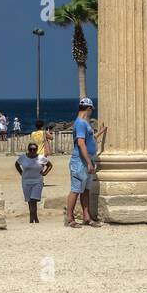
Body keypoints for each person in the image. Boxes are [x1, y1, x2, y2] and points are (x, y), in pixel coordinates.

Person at [65, 98, 100, 228]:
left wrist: (100, 132)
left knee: (86, 190)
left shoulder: (83, 123)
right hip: (80, 161)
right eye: (91, 110)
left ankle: (87, 217)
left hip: (86, 159)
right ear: (89, 109)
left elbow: (89, 139)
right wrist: (89, 162)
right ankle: (69, 218)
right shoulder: (80, 123)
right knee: (76, 189)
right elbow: (80, 143)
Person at [15, 141, 52, 223]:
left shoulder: (41, 158)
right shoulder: (23, 157)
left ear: (37, 150)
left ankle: (33, 218)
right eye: (30, 149)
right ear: (28, 149)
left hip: (37, 181)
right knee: (29, 200)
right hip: (26, 181)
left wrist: (45, 173)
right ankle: (34, 218)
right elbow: (17, 164)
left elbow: (49, 165)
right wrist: (21, 172)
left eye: (34, 149)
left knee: (33, 200)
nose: (32, 151)